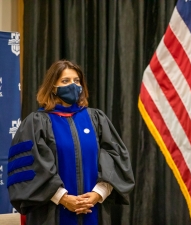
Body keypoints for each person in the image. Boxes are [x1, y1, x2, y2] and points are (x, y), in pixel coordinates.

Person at [7, 60, 135, 225]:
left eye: (76, 81)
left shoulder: (96, 119)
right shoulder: (37, 123)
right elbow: (31, 169)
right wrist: (63, 198)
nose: (73, 85)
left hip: (94, 209)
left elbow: (115, 159)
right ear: (53, 86)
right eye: (65, 81)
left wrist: (98, 193)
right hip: (51, 213)